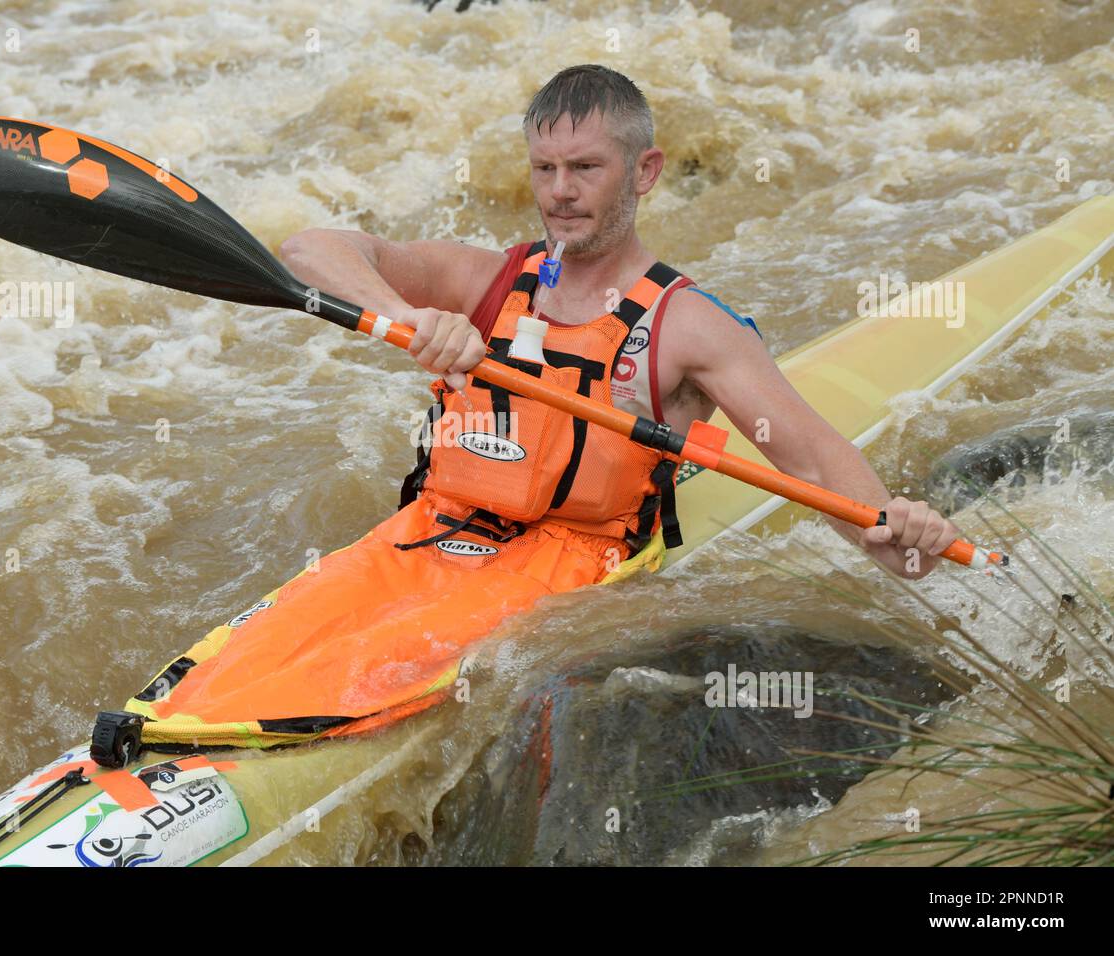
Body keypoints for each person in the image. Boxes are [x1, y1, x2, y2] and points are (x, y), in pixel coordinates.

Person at [116, 65, 962, 748]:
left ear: (646, 171)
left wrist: (901, 541)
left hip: (576, 559)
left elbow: (807, 456)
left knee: (376, 665)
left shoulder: (686, 326)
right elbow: (309, 249)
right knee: (248, 656)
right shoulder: (484, 279)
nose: (561, 191)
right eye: (545, 168)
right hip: (431, 532)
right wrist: (410, 318)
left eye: (586, 168)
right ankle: (160, 733)